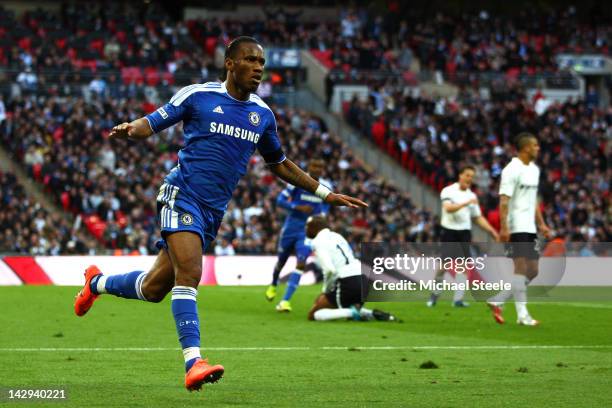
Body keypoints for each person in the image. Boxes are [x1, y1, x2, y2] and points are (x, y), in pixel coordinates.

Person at [73, 36, 367, 392]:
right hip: (181, 195)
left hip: (212, 212)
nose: (258, 68)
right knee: (191, 273)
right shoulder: (198, 95)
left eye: (261, 62)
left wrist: (325, 192)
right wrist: (133, 129)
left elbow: (280, 164)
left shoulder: (262, 115)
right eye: (250, 60)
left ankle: (95, 283)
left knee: (154, 289)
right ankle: (194, 362)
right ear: (230, 63)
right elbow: (154, 120)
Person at [487, 133, 552, 326]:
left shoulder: (533, 170)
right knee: (521, 267)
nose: (538, 148)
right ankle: (523, 316)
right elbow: (504, 200)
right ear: (525, 148)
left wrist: (541, 224)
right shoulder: (511, 170)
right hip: (515, 226)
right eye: (535, 145)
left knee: (533, 270)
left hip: (530, 227)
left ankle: (499, 299)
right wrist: (504, 227)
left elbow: (533, 202)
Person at [427, 165, 499, 307]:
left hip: (464, 233)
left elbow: (477, 217)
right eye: (467, 175)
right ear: (460, 175)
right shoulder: (449, 191)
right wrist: (466, 203)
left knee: (464, 267)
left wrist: (491, 231)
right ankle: (434, 296)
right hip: (449, 232)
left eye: (472, 176)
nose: (469, 179)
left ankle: (457, 300)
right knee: (443, 267)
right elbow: (448, 208)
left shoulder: (472, 196)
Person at [265, 158, 330, 312]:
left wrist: (322, 215)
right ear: (310, 166)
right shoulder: (298, 181)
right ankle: (274, 283)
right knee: (281, 261)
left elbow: (327, 204)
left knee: (302, 262)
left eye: (320, 166)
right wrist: (297, 207)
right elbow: (280, 200)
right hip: (291, 228)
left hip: (308, 231)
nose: (317, 169)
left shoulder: (326, 186)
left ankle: (285, 301)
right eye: (315, 165)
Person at [305, 215, 396, 322]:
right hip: (362, 278)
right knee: (330, 305)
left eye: (307, 227)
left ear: (314, 228)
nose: (306, 230)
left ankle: (354, 312)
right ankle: (373, 314)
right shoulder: (337, 236)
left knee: (314, 314)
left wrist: (326, 291)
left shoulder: (317, 241)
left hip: (347, 281)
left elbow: (329, 270)